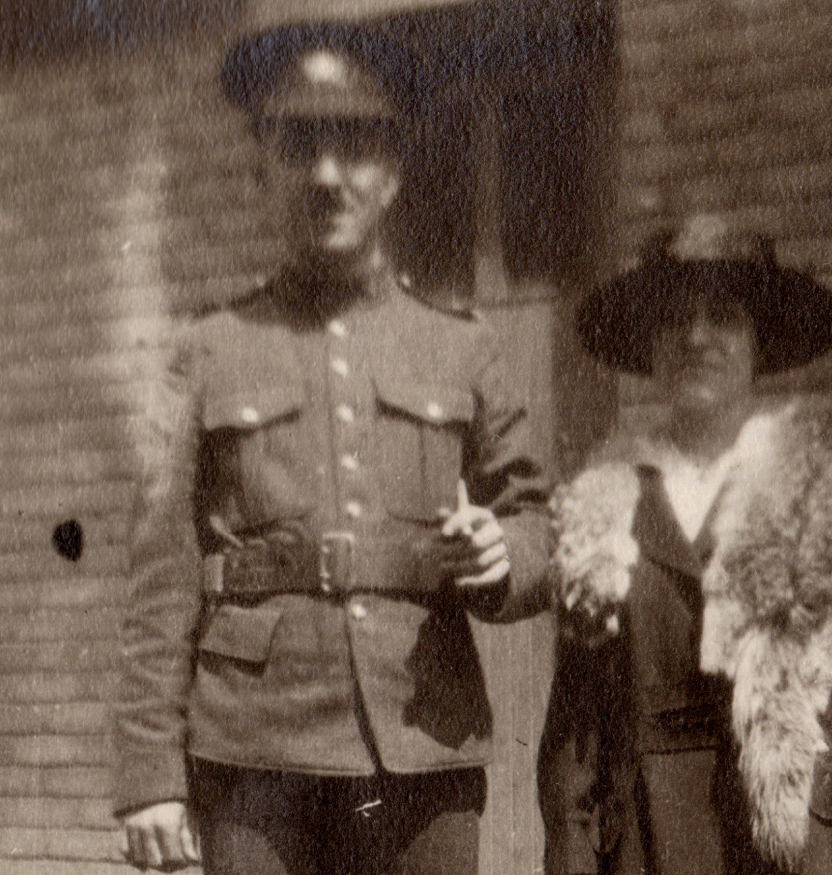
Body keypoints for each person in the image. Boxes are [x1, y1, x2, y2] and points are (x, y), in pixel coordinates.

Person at [113, 29, 551, 875]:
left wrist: (504, 558)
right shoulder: (205, 352)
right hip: (252, 754)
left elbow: (538, 517)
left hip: (422, 739)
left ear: (392, 174)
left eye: (353, 146)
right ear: (261, 173)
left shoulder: (460, 346)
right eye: (298, 147)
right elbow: (160, 574)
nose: (326, 175)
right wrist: (147, 776)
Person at [537, 214, 832, 875]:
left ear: (758, 341)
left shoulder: (830, 478)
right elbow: (578, 713)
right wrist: (571, 844)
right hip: (644, 831)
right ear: (649, 345)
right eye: (674, 319)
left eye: (722, 316)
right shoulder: (605, 501)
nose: (696, 337)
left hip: (793, 824)